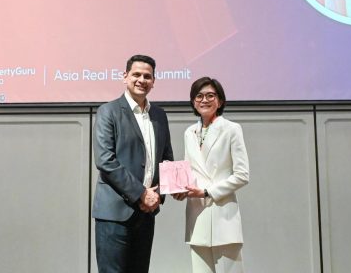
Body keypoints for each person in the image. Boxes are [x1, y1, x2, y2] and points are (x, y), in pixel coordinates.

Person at [92, 54, 174, 273]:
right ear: (125, 77)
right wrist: (141, 194)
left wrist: (159, 195)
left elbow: (167, 159)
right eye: (136, 74)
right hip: (114, 214)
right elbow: (105, 160)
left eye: (147, 76)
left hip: (146, 214)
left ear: (153, 81)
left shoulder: (159, 115)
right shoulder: (108, 111)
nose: (142, 80)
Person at [173, 77, 249, 273]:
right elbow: (189, 171)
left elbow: (242, 175)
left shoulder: (231, 129)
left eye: (210, 95)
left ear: (220, 101)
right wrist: (180, 189)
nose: (204, 100)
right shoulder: (189, 132)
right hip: (197, 214)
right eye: (199, 96)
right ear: (193, 101)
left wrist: (207, 191)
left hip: (223, 213)